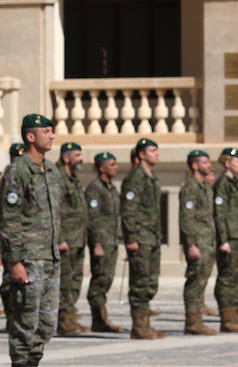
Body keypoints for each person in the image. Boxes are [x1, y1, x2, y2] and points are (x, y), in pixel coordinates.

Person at [0, 114, 63, 367]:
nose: (51, 136)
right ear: (30, 137)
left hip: (49, 258)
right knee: (25, 321)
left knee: (46, 323)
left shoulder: (51, 170)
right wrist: (15, 261)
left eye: (51, 131)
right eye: (45, 131)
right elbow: (9, 219)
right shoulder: (18, 171)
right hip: (29, 259)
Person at [120, 138, 166, 339]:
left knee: (150, 281)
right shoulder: (135, 179)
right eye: (152, 150)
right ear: (141, 154)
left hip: (152, 237)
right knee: (139, 281)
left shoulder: (152, 178)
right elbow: (128, 211)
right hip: (140, 238)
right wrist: (130, 238)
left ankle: (145, 323)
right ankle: (139, 326)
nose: (156, 153)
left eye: (157, 150)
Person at [178, 150, 217, 335]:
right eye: (205, 162)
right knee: (195, 281)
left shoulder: (206, 188)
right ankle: (192, 321)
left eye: (209, 162)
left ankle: (197, 318)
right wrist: (191, 244)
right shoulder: (190, 188)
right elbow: (186, 218)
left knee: (201, 281)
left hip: (207, 242)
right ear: (194, 165)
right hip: (198, 243)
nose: (208, 165)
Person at [84, 152, 124, 332]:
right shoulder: (95, 188)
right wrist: (97, 243)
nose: (116, 167)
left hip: (111, 240)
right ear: (102, 168)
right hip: (102, 242)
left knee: (107, 278)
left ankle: (101, 318)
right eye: (112, 164)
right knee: (100, 278)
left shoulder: (111, 188)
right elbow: (92, 218)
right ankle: (98, 319)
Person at [213, 148, 238, 332]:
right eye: (237, 161)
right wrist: (223, 240)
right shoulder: (222, 185)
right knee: (227, 278)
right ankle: (227, 319)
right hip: (229, 238)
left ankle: (236, 313)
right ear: (227, 163)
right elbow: (219, 214)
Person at [55, 141, 88, 335]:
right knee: (65, 281)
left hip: (78, 239)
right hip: (66, 239)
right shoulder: (59, 178)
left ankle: (70, 316)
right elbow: (56, 210)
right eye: (77, 155)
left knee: (75, 280)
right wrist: (60, 239)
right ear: (66, 157)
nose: (81, 159)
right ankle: (63, 319)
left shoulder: (73, 179)